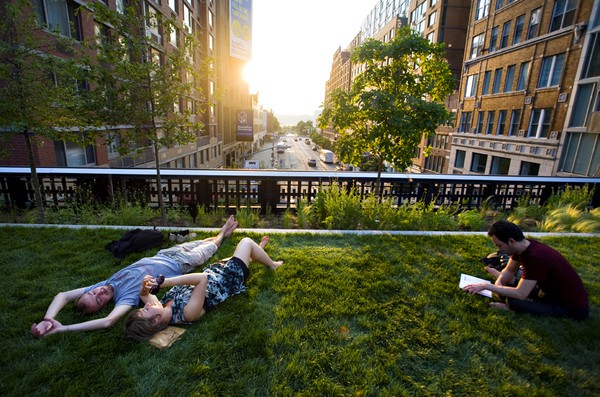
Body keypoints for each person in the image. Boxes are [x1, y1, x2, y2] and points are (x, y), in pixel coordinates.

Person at [30, 216, 238, 337]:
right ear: (104, 305)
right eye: (99, 299)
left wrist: (48, 319)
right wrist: (61, 328)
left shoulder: (106, 283)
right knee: (210, 246)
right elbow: (107, 322)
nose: (99, 292)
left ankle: (219, 235)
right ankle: (222, 234)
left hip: (164, 254)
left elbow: (63, 295)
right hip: (182, 263)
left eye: (93, 292)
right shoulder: (125, 298)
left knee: (201, 241)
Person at [124, 236, 283, 341]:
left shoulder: (163, 305)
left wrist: (145, 285)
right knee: (246, 242)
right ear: (156, 321)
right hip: (229, 276)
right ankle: (272, 264)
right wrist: (168, 282)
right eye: (145, 310)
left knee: (243, 254)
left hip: (214, 270)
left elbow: (144, 295)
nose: (145, 305)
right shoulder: (187, 314)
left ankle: (257, 251)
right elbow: (201, 279)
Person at [463, 220, 589, 320]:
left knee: (514, 301)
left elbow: (520, 294)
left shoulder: (535, 257)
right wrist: (499, 282)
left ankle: (509, 307)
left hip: (570, 307)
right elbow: (509, 270)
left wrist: (487, 286)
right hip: (547, 292)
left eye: (499, 245)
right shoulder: (524, 247)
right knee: (506, 288)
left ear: (511, 241)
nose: (499, 250)